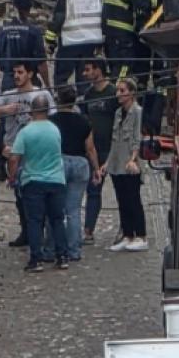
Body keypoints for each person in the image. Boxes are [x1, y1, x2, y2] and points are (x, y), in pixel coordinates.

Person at [0, 62, 56, 247]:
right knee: (20, 196)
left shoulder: (42, 95)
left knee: (37, 194)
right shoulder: (8, 95)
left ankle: (39, 231)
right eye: (14, 72)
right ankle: (26, 231)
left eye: (20, 72)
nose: (16, 76)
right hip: (13, 150)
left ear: (30, 73)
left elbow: (52, 118)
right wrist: (4, 110)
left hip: (35, 152)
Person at [8, 93, 70, 272]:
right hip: (57, 180)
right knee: (57, 220)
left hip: (33, 180)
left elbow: (14, 158)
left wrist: (12, 177)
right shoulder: (55, 129)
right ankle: (63, 256)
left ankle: (37, 259)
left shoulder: (26, 131)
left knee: (35, 221)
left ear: (31, 111)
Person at [51, 87, 102, 261]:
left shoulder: (52, 121)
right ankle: (74, 251)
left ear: (58, 100)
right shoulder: (84, 121)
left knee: (55, 208)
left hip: (59, 162)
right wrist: (96, 169)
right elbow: (90, 148)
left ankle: (52, 249)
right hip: (80, 164)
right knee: (73, 210)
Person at [47, 0, 104, 95]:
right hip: (91, 41)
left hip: (70, 41)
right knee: (84, 77)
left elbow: (59, 16)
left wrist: (50, 39)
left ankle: (62, 104)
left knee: (62, 78)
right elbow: (103, 16)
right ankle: (84, 106)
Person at [101, 0, 159, 84]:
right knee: (125, 65)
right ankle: (116, 93)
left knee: (114, 64)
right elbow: (141, 2)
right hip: (122, 30)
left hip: (109, 28)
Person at [103, 77, 148, 251]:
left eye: (122, 91)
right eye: (118, 90)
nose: (118, 94)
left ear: (132, 93)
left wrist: (133, 159)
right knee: (122, 200)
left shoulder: (137, 112)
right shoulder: (117, 113)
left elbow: (137, 137)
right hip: (116, 163)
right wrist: (107, 163)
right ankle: (128, 234)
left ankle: (141, 235)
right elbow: (114, 141)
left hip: (129, 163)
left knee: (133, 200)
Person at [80, 59, 118, 245]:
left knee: (122, 190)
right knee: (93, 189)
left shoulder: (113, 93)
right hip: (94, 150)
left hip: (114, 149)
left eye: (88, 70)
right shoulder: (88, 94)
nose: (84, 74)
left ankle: (127, 229)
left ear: (98, 70)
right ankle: (88, 230)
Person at [0, 0, 49, 92]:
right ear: (29, 11)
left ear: (14, 9)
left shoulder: (1, 31)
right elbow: (42, 63)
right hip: (30, 82)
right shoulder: (34, 32)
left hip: (8, 83)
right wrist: (48, 85)